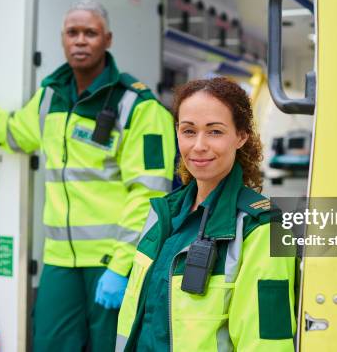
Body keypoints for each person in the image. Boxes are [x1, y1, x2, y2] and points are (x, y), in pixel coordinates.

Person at [0, 0, 175, 351]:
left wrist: (121, 265)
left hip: (109, 262)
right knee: (49, 343)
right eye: (72, 33)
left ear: (107, 40)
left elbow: (149, 193)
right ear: (62, 39)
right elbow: (13, 132)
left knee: (110, 347)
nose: (80, 40)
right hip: (60, 261)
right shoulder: (51, 97)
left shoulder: (139, 108)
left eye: (90, 33)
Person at [116, 77, 296, 351]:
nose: (199, 145)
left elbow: (266, 342)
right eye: (189, 131)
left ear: (241, 136)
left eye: (215, 132)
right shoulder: (162, 214)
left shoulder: (264, 229)